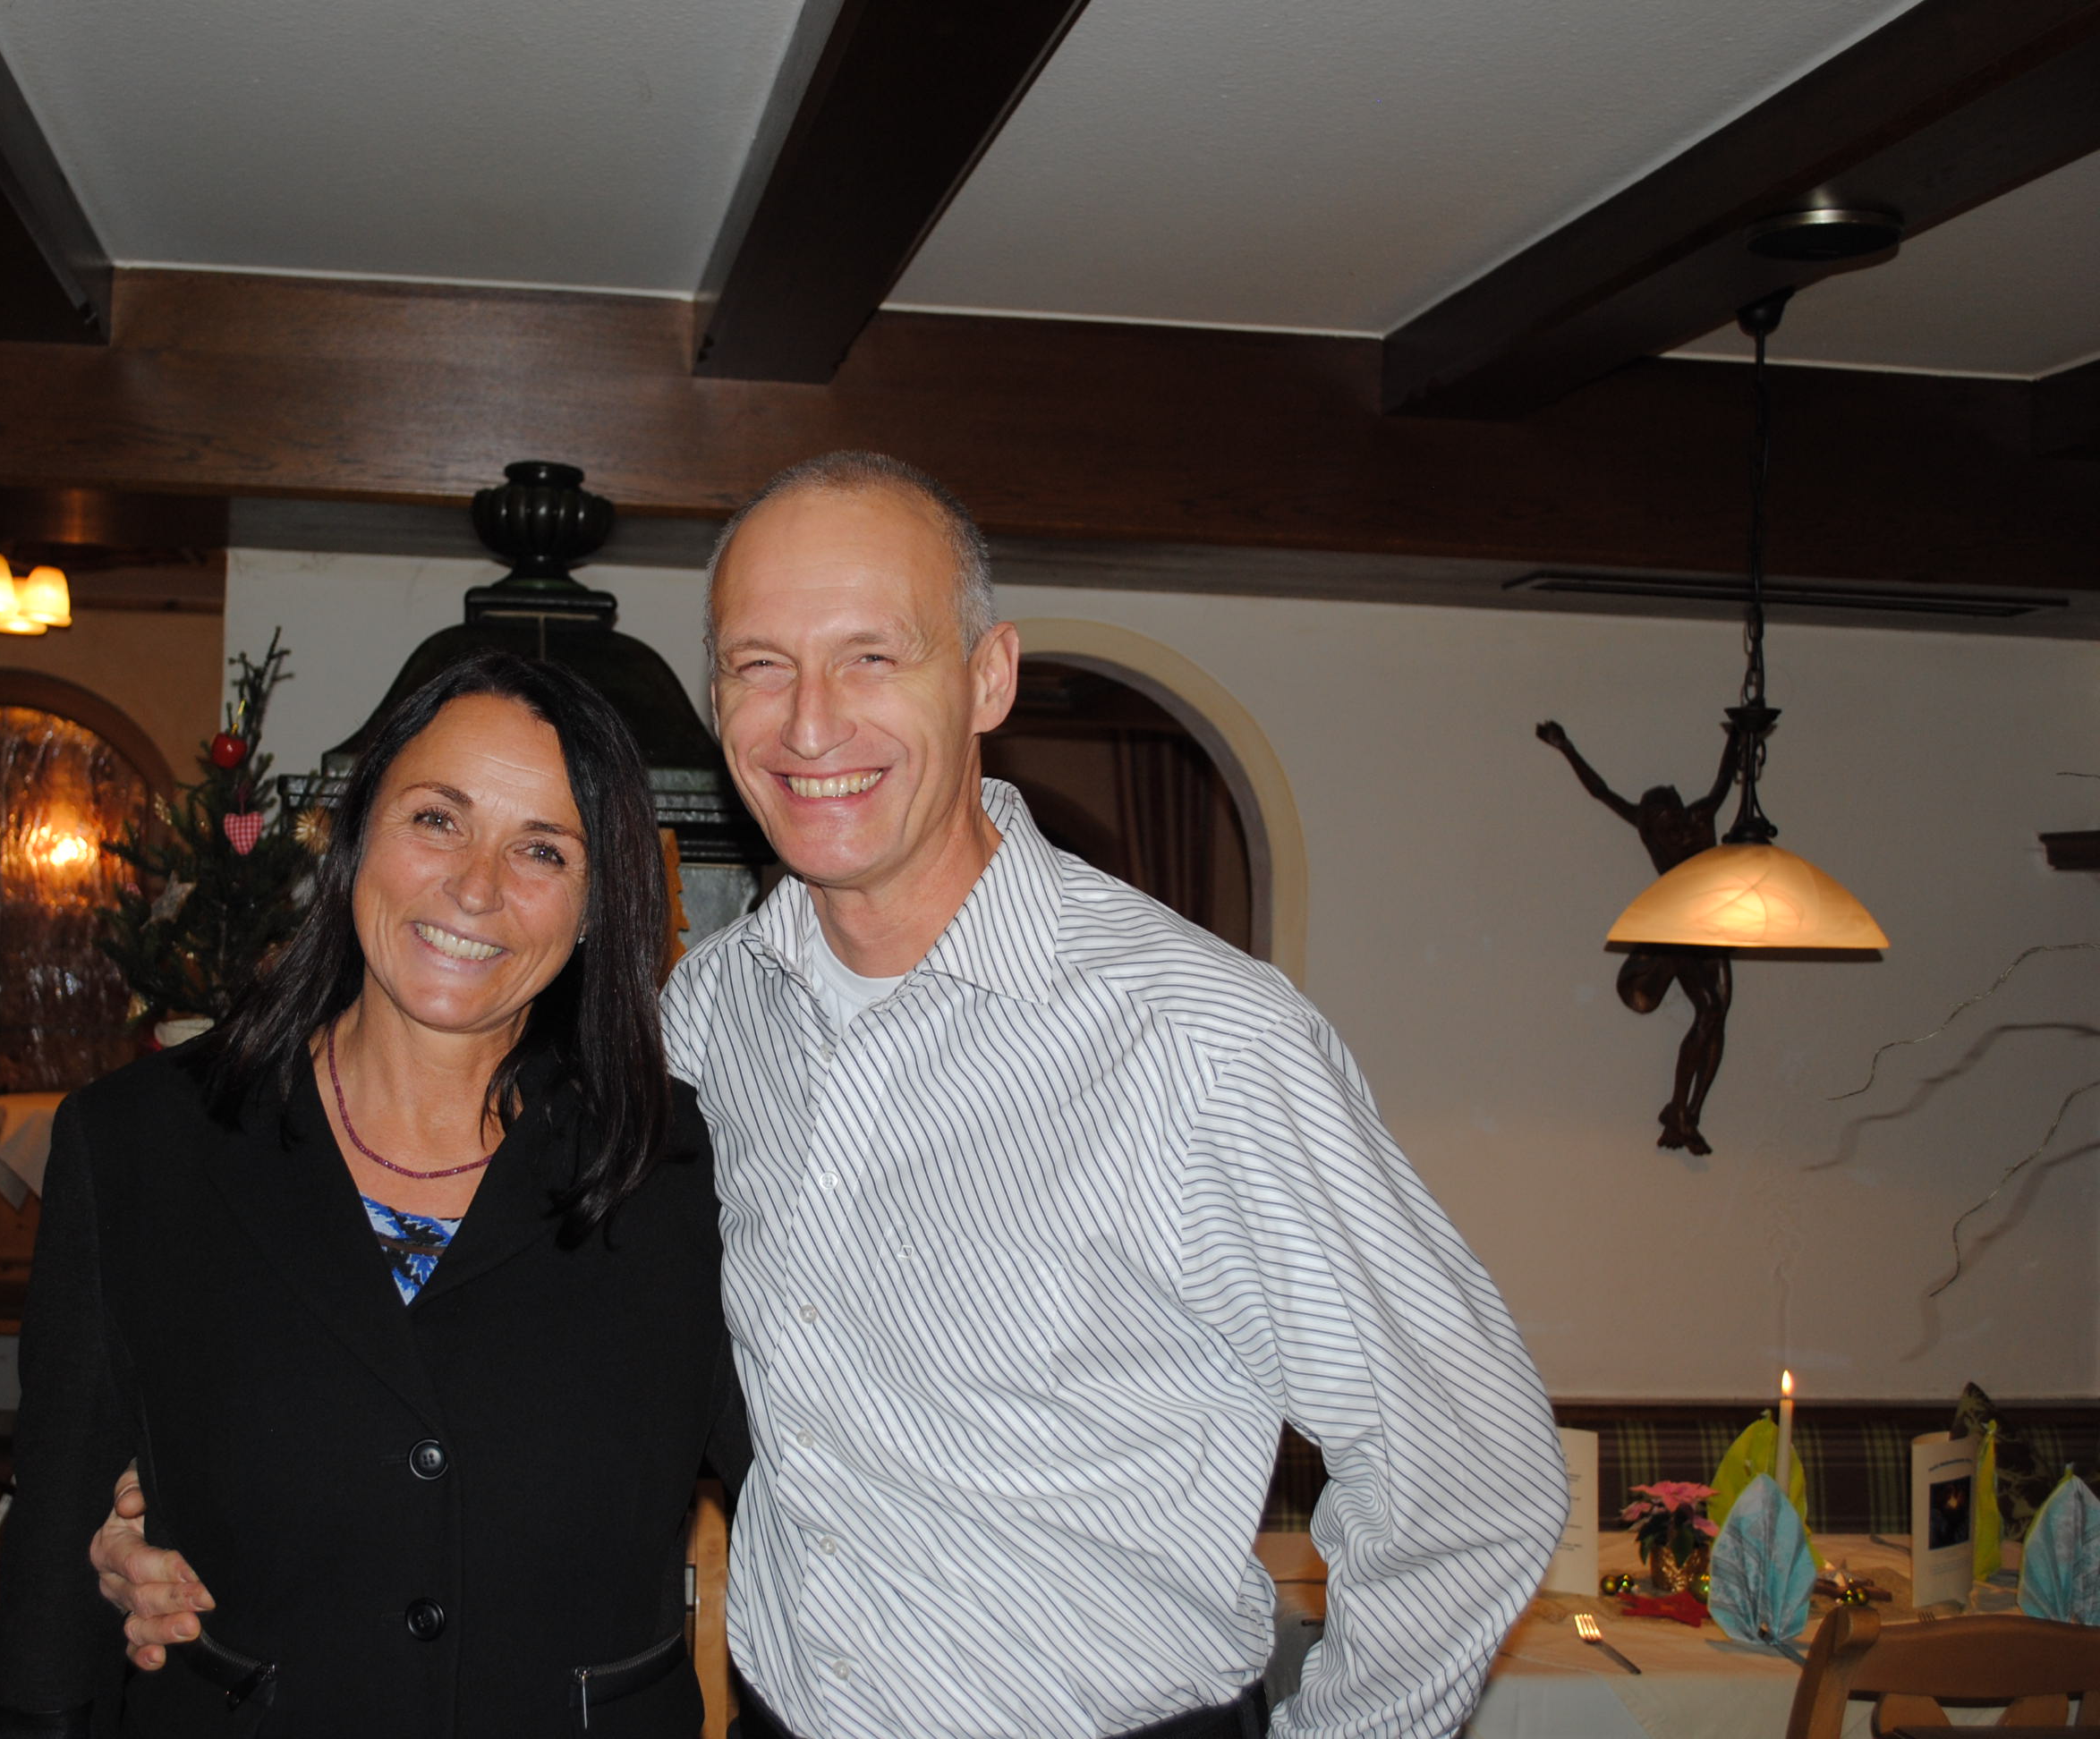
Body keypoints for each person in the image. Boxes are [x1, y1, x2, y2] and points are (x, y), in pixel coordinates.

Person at [100, 454, 1569, 1739]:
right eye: (760, 664)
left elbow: (1469, 1472)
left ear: (987, 677)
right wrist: (182, 1509)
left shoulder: (1200, 1039)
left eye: (872, 656)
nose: (810, 725)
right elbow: (502, 1327)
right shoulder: (701, 1023)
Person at [0, 652, 747, 1737]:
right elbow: (55, 1562)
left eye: (542, 848)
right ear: (354, 838)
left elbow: (826, 1492)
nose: (476, 886)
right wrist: (97, 1559)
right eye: (437, 820)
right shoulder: (140, 1144)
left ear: (596, 906)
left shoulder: (686, 1166)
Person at [1534, 718, 1740, 1154]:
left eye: (1675, 818)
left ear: (1682, 809)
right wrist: (1566, 747)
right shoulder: (1653, 834)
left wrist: (1739, 736)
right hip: (1679, 928)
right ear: (1649, 828)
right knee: (1708, 1010)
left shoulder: (1700, 819)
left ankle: (1688, 1113)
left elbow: (1724, 783)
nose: (1674, 830)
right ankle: (1680, 1111)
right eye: (1662, 825)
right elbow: (1602, 792)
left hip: (1716, 925)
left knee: (1717, 1013)